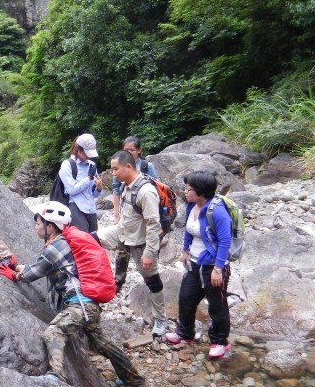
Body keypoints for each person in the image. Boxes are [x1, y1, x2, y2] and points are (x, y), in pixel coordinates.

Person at [0, 201, 144, 387]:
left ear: (50, 226)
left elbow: (32, 273)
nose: (35, 227)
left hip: (79, 305)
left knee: (53, 332)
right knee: (100, 344)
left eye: (38, 223)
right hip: (89, 305)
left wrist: (14, 274)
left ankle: (56, 377)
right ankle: (133, 378)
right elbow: (40, 267)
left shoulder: (56, 247)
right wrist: (17, 267)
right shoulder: (64, 243)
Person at [97, 150, 167, 338]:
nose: (113, 173)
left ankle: (161, 319)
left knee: (152, 281)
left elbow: (153, 225)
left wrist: (150, 253)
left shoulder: (146, 191)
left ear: (128, 167)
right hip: (121, 233)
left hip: (140, 243)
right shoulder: (126, 185)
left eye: (115, 169)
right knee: (90, 239)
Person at [165, 171, 232, 359]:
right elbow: (188, 230)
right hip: (194, 262)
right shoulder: (191, 206)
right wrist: (185, 251)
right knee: (186, 297)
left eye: (189, 189)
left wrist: (218, 269)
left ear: (201, 191)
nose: (185, 192)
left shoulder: (217, 211)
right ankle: (185, 333)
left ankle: (220, 341)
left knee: (216, 304)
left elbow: (225, 242)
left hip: (213, 265)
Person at [111, 136, 158, 292]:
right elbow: (116, 190)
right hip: (127, 212)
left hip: (142, 214)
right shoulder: (119, 166)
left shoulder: (146, 166)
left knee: (141, 249)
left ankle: (150, 282)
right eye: (126, 149)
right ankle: (118, 280)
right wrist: (116, 215)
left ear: (139, 150)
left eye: (132, 149)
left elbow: (155, 187)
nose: (129, 152)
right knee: (122, 249)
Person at [59, 133, 103, 236]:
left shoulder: (92, 165)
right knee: (83, 239)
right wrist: (88, 178)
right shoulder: (67, 165)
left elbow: (94, 194)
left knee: (94, 240)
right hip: (75, 207)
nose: (88, 156)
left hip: (91, 208)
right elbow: (71, 190)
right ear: (78, 149)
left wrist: (99, 188)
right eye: (86, 153)